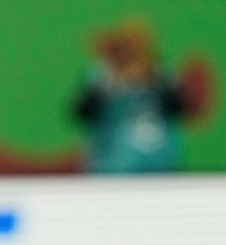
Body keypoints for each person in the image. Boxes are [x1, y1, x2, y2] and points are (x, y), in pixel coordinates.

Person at [74, 19, 187, 174]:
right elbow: (81, 112)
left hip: (159, 163)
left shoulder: (161, 73)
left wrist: (152, 81)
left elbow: (179, 109)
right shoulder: (102, 75)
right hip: (111, 164)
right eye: (128, 44)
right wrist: (113, 83)